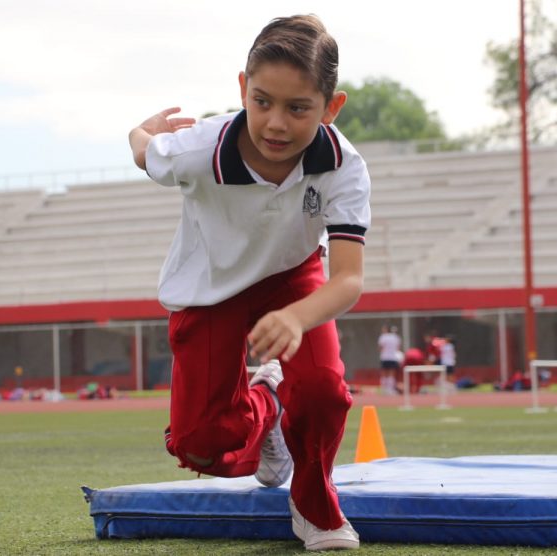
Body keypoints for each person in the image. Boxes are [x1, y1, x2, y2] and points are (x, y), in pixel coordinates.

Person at [128, 15, 370, 551]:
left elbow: (349, 278)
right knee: (201, 448)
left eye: (298, 108)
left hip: (294, 280)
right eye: (262, 101)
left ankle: (316, 507)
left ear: (332, 108)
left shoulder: (344, 166)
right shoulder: (196, 149)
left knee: (326, 391)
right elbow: (143, 149)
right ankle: (268, 403)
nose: (276, 123)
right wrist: (141, 130)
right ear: (242, 88)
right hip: (211, 288)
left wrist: (296, 316)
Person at [377, 324, 403, 394]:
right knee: (391, 374)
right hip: (393, 357)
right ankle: (390, 389)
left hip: (384, 357)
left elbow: (380, 348)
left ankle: (384, 389)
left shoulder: (383, 337)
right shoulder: (396, 337)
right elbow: (398, 347)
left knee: (384, 373)